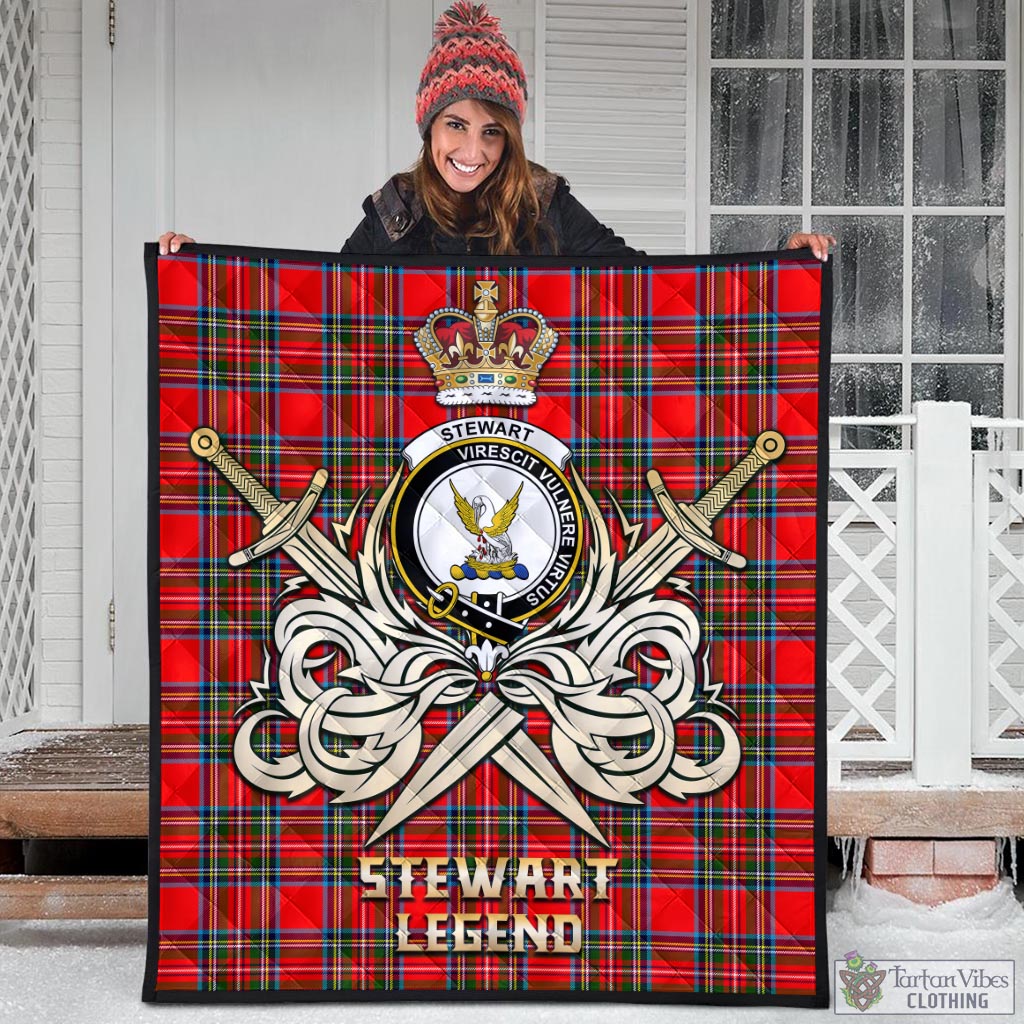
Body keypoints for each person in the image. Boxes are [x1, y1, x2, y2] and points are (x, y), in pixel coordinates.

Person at [159, 2, 834, 261]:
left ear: (511, 137)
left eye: (492, 132)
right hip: (415, 452)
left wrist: (784, 263)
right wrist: (198, 269)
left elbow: (651, 291)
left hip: (539, 450)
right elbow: (322, 311)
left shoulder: (545, 204)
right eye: (456, 126)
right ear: (429, 127)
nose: (472, 151)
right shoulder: (394, 212)